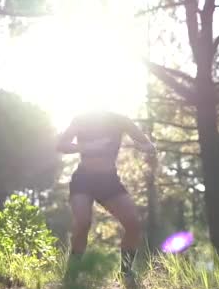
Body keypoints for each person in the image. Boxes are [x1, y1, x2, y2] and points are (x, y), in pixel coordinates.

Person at [56, 110, 156, 280]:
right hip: (83, 179)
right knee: (83, 222)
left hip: (109, 182)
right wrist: (89, 147)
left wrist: (144, 147)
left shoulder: (121, 120)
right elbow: (61, 145)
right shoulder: (81, 118)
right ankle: (71, 273)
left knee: (133, 224)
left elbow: (149, 145)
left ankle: (125, 272)